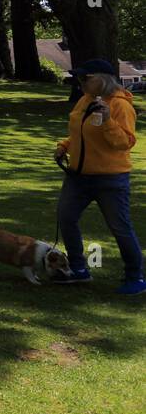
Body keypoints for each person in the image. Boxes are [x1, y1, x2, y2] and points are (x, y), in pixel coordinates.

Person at [53, 59, 145, 294]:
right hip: (78, 176)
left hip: (110, 180)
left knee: (120, 228)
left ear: (102, 80)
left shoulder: (121, 107)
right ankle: (78, 268)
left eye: (86, 78)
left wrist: (107, 122)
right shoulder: (86, 101)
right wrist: (65, 146)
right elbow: (80, 133)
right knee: (66, 217)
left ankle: (135, 277)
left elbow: (124, 143)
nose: (80, 82)